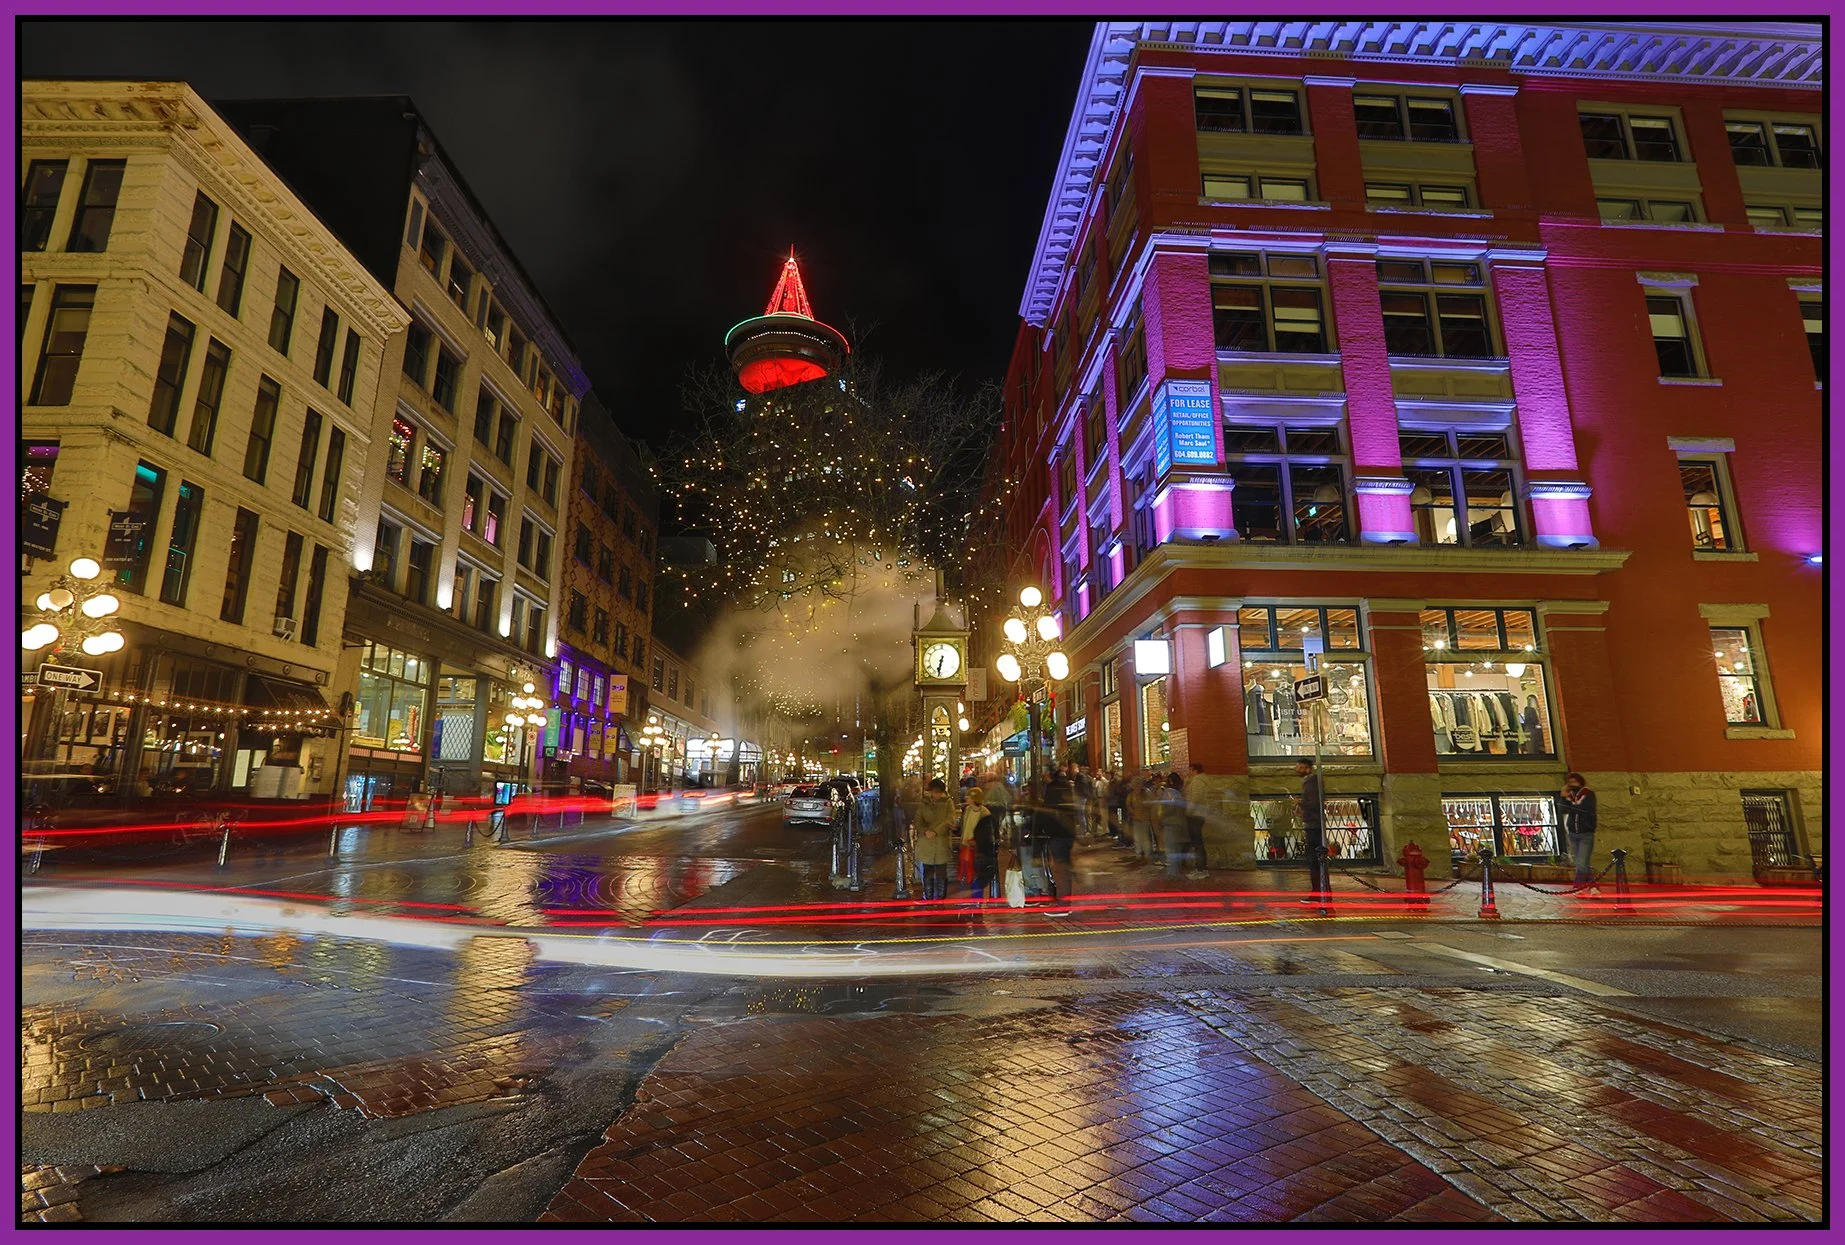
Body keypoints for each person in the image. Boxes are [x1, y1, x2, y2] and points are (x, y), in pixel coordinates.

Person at [914, 779, 956, 901]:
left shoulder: (948, 803)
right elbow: (918, 819)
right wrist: (924, 830)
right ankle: (929, 896)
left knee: (941, 871)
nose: (935, 795)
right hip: (926, 842)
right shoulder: (924, 803)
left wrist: (936, 831)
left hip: (941, 842)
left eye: (937, 792)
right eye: (933, 792)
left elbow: (950, 820)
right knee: (927, 871)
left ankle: (941, 898)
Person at [1036, 786, 1076, 910]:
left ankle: (1063, 904)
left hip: (1057, 838)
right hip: (1067, 838)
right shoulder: (1067, 805)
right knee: (1064, 870)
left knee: (1061, 871)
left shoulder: (1051, 807)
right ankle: (1065, 900)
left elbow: (1044, 822)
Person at [1559, 772, 1599, 892]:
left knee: (1582, 863)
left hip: (1586, 833)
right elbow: (1563, 809)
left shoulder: (1588, 794)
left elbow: (1585, 809)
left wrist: (1572, 806)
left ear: (1580, 782)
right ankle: (1593, 887)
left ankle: (1578, 886)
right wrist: (1563, 796)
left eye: (1574, 782)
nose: (1572, 785)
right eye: (1570, 782)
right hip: (1573, 833)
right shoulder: (1569, 796)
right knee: (1582, 863)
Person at [1296, 758, 1328, 899]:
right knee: (1316, 860)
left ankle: (1318, 892)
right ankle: (1320, 891)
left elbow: (1315, 804)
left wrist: (1300, 803)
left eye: (1301, 767)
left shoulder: (1312, 783)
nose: (1297, 770)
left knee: (1315, 860)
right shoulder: (1311, 782)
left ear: (1308, 769)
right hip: (1314, 824)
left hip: (1314, 825)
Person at [1159, 773, 1190, 880]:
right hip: (1181, 823)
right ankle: (1175, 871)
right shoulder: (1182, 792)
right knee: (1177, 849)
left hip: (1170, 823)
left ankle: (1172, 873)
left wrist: (1161, 817)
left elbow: (1166, 809)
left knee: (1171, 849)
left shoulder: (1168, 792)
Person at [960, 785, 989, 896]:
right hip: (966, 846)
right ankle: (968, 898)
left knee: (976, 873)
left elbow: (986, 832)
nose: (966, 798)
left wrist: (977, 841)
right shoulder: (967, 810)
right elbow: (964, 826)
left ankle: (976, 898)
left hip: (976, 848)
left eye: (969, 796)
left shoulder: (984, 812)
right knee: (966, 872)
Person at [1183, 762, 1209, 879]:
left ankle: (1201, 869)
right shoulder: (1197, 780)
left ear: (1194, 770)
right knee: (1197, 842)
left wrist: (1189, 811)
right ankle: (1200, 868)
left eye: (1190, 770)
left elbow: (1195, 798)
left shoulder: (1198, 781)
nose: (1188, 772)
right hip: (1198, 814)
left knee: (1197, 843)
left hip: (1196, 814)